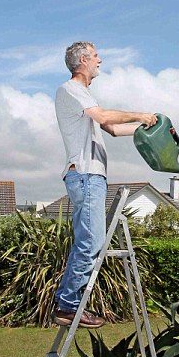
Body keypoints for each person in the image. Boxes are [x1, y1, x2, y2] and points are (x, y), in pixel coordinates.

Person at [53, 41, 157, 328]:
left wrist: (149, 125)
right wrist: (140, 113)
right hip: (85, 175)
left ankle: (66, 303)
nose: (101, 60)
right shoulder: (70, 89)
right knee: (91, 242)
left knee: (89, 242)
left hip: (92, 177)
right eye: (97, 56)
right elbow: (103, 117)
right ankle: (68, 306)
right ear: (83, 60)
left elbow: (112, 128)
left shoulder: (84, 95)